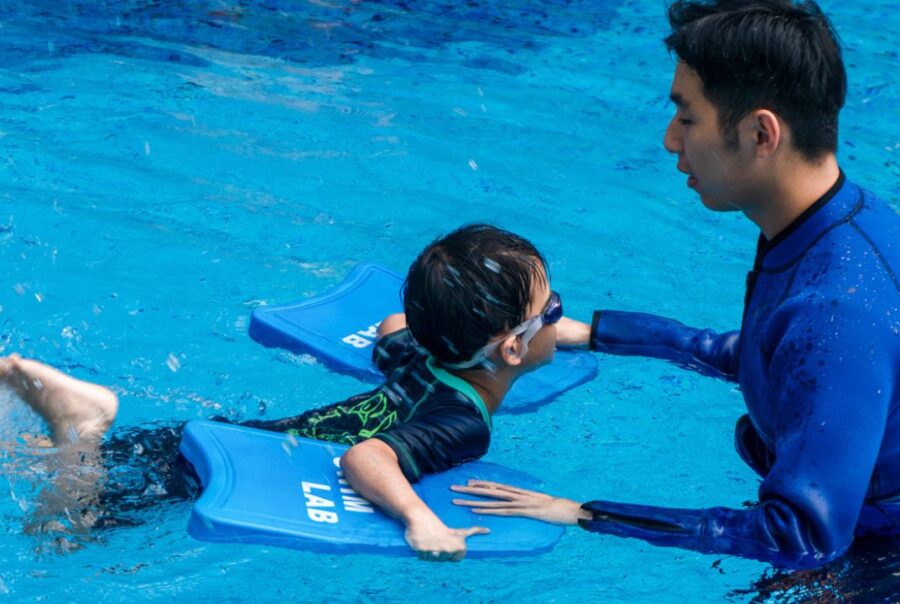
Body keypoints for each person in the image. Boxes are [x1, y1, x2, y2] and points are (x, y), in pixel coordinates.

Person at [453, 0, 900, 570]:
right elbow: (767, 354)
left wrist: (581, 513)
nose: (670, 140)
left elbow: (799, 536)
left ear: (761, 133)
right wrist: (591, 334)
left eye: (687, 118)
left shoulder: (837, 310)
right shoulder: (837, 224)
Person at [0, 223, 563, 561]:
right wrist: (421, 519)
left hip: (240, 438)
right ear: (510, 349)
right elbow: (368, 457)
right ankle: (81, 426)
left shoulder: (419, 356)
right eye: (554, 311)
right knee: (65, 537)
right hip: (227, 474)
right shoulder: (465, 425)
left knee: (30, 470)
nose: (563, 319)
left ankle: (70, 434)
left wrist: (533, 324)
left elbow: (394, 325)